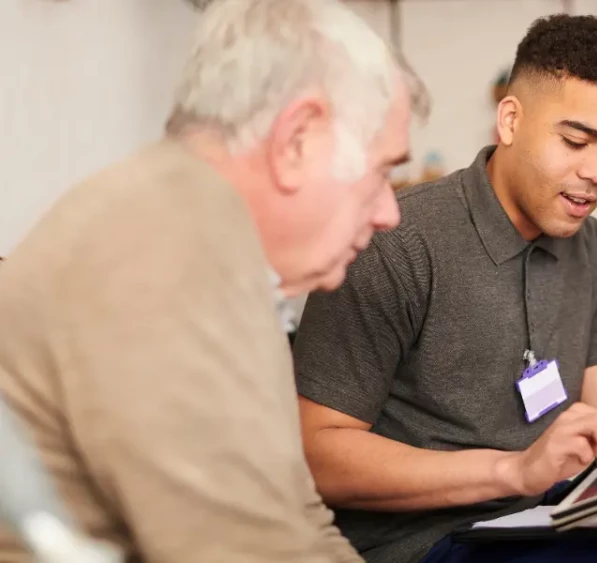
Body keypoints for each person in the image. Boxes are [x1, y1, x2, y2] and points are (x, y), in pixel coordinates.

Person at [292, 13, 597, 563]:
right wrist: (512, 470)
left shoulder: (594, 249)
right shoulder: (393, 242)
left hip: (551, 514)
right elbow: (316, 455)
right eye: (577, 141)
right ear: (509, 120)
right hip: (428, 543)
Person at [0, 0, 429, 561]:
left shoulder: (218, 250)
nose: (388, 213)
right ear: (297, 139)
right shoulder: (159, 258)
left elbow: (298, 517)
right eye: (381, 173)